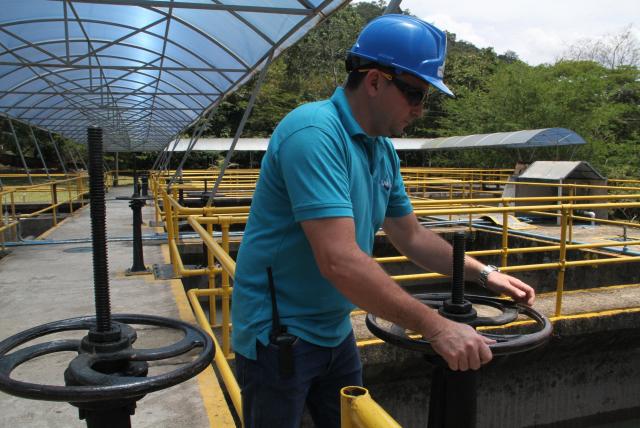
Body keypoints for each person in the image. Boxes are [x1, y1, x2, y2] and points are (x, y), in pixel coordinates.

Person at [231, 14, 535, 428]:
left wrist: (485, 275)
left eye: (425, 98)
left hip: (335, 329)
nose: (420, 109)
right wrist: (436, 328)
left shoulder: (381, 151)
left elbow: (411, 237)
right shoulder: (314, 132)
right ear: (374, 81)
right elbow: (338, 260)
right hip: (278, 336)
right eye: (414, 93)